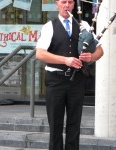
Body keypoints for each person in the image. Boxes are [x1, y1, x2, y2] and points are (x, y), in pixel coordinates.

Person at [36, 0, 103, 150]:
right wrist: (65, 60)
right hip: (56, 80)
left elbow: (99, 50)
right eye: (63, 2)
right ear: (57, 4)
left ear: (73, 5)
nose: (67, 5)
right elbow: (40, 54)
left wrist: (91, 57)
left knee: (74, 124)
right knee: (55, 125)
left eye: (70, 2)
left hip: (77, 80)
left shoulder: (84, 25)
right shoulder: (49, 26)